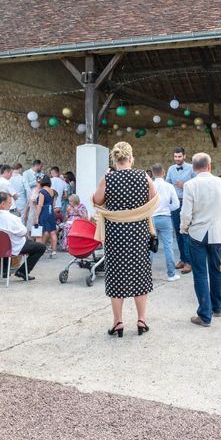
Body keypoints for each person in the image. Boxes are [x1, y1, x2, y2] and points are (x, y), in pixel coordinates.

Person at [93, 142, 157, 337]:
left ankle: (118, 322)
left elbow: (97, 201)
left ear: (115, 159)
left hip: (115, 233)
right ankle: (141, 320)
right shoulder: (143, 176)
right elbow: (154, 199)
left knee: (116, 275)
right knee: (140, 273)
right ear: (131, 158)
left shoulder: (108, 178)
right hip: (138, 232)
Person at [180, 152, 221, 327]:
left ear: (194, 168)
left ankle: (204, 315)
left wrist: (184, 228)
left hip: (198, 232)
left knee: (200, 273)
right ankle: (217, 308)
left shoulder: (190, 185)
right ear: (210, 166)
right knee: (216, 270)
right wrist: (217, 215)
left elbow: (186, 213)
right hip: (217, 232)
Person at [0, 191, 46, 281]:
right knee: (40, 247)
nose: (11, 205)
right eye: (10, 202)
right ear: (3, 204)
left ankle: (5, 272)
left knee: (5, 238)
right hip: (11, 247)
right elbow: (23, 232)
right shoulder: (10, 217)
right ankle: (22, 271)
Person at [166, 147, 196, 275]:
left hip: (187, 202)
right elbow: (167, 184)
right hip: (175, 203)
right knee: (177, 232)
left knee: (186, 232)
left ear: (184, 156)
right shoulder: (171, 169)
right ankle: (183, 259)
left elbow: (196, 185)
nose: (177, 159)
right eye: (175, 157)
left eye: (179, 156)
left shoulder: (191, 168)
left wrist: (185, 186)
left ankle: (189, 262)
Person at [151, 163, 181, 282]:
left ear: (153, 174)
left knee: (150, 246)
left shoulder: (150, 185)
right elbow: (176, 204)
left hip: (152, 218)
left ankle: (146, 275)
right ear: (163, 173)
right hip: (165, 218)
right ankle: (171, 274)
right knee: (168, 246)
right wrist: (168, 208)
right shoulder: (169, 186)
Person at [34, 176, 58, 258]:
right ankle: (54, 251)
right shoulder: (52, 191)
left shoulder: (42, 192)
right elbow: (53, 203)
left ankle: (40, 251)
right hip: (51, 212)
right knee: (53, 232)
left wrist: (36, 217)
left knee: (42, 232)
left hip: (44, 212)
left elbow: (40, 205)